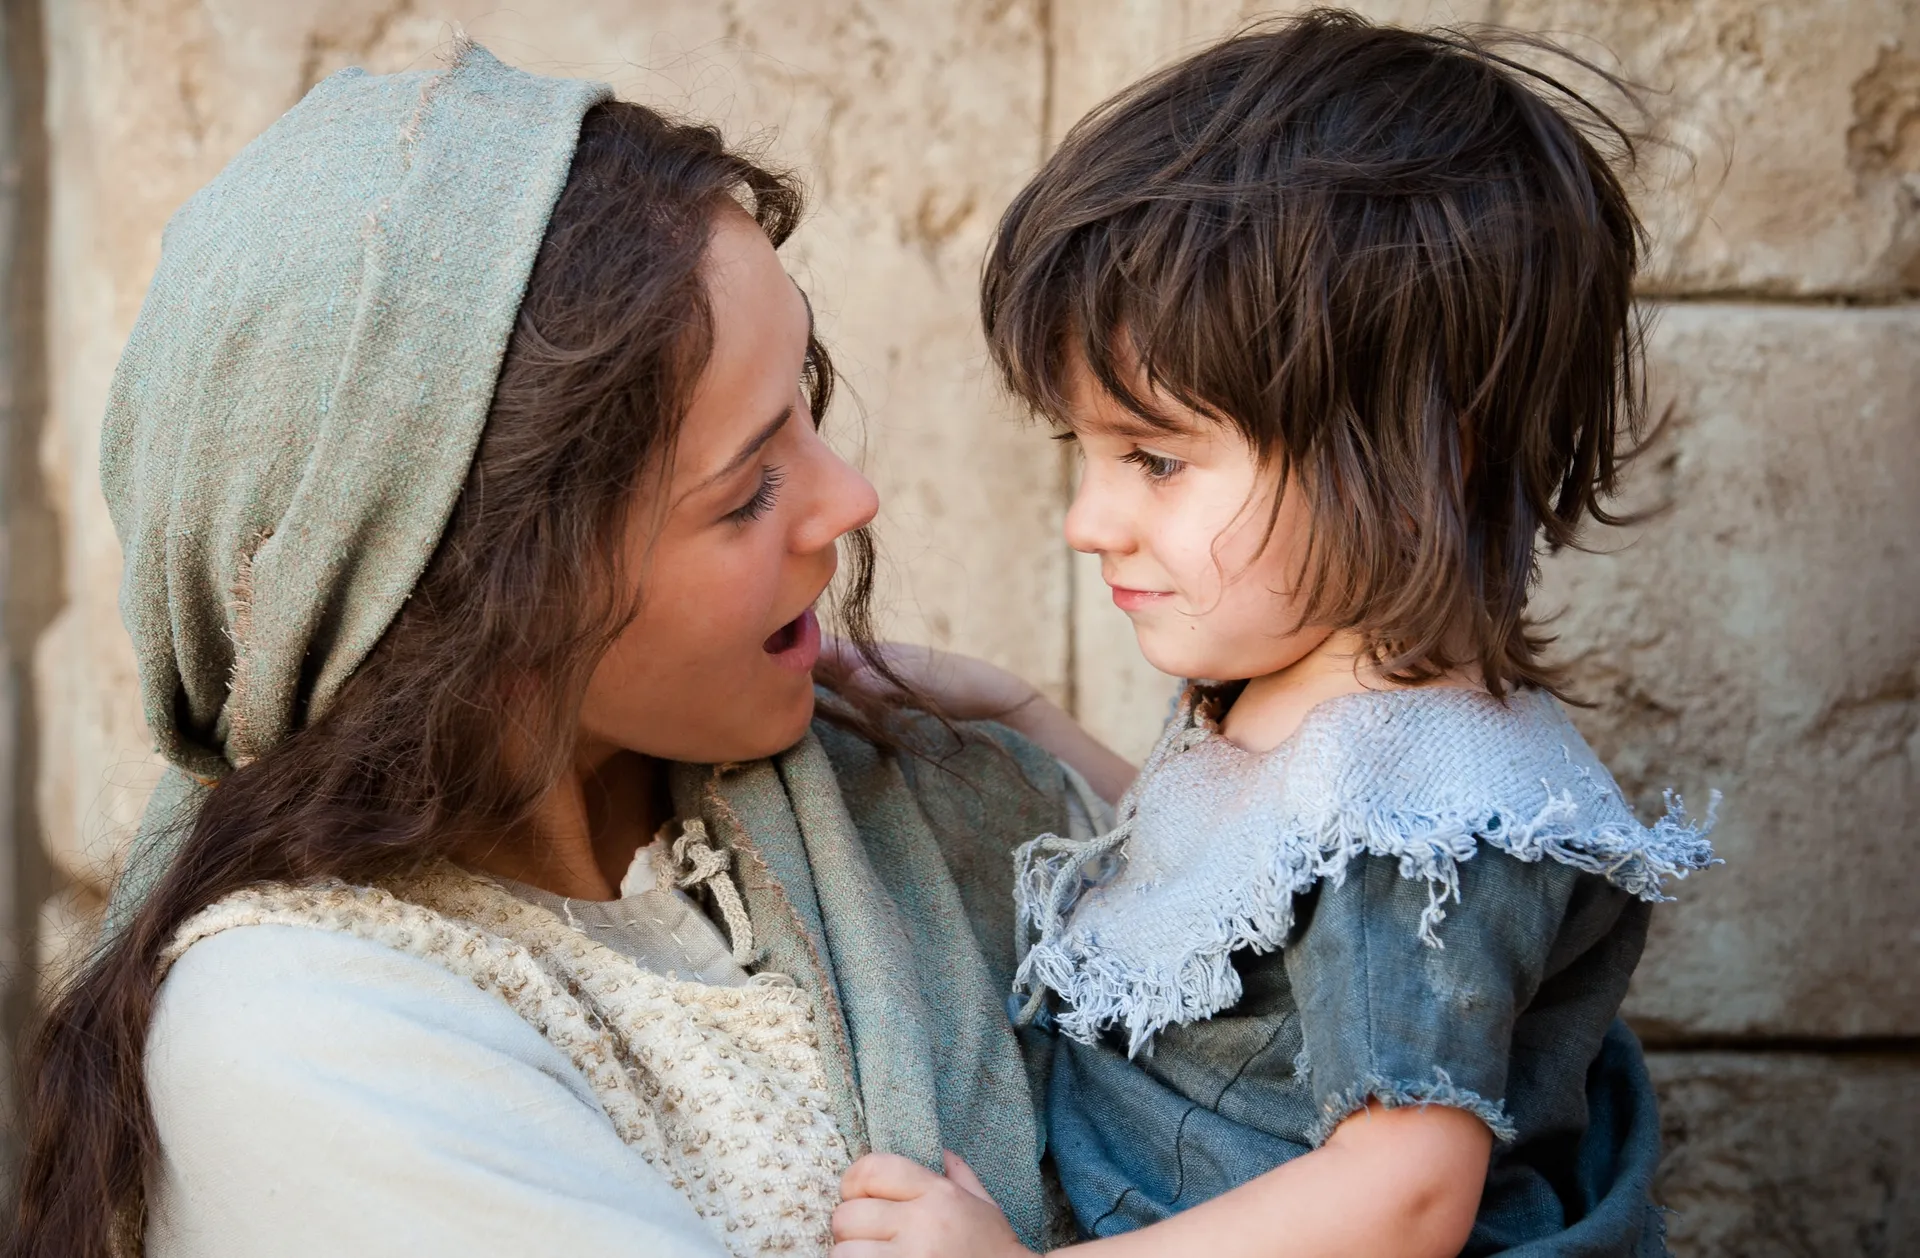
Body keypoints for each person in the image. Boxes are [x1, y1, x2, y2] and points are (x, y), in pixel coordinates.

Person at [6, 45, 1118, 1258]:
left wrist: (1042, 736)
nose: (850, 497)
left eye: (806, 392)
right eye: (747, 491)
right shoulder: (300, 1033)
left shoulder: (899, 799)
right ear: (500, 627)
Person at [830, 11, 1717, 1258]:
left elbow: (1402, 1198)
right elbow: (1244, 914)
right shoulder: (1296, 692)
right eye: (1081, 456)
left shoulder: (1423, 825)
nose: (1092, 522)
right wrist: (1021, 719)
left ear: (1419, 462)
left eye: (1153, 458)